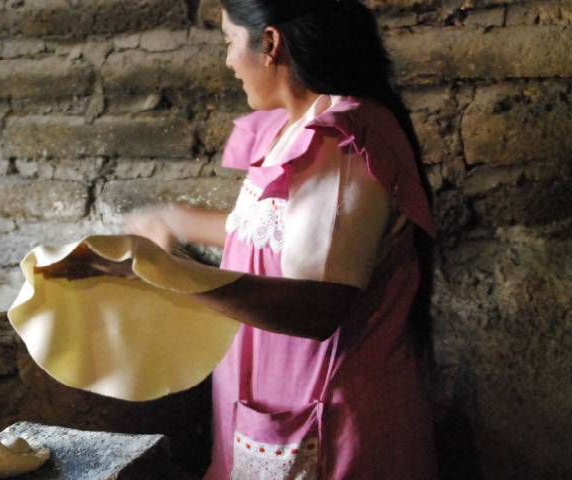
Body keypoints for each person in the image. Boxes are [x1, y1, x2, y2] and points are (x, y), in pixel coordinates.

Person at [42, 0, 437, 478]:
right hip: (280, 402)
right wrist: (174, 220)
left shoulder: (339, 141)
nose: (228, 60)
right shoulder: (293, 125)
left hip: (326, 415)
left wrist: (163, 271)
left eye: (230, 41)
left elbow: (317, 307)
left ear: (270, 44)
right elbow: (281, 232)